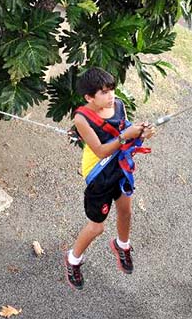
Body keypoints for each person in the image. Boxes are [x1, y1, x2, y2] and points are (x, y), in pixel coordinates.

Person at [64, 67, 157, 290]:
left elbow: (123, 132)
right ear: (89, 97)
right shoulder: (81, 119)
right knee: (97, 227)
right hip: (99, 174)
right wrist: (127, 135)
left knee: (126, 210)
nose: (111, 96)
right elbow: (101, 151)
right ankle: (73, 259)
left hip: (119, 168)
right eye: (104, 93)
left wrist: (141, 133)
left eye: (112, 90)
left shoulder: (118, 106)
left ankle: (122, 244)